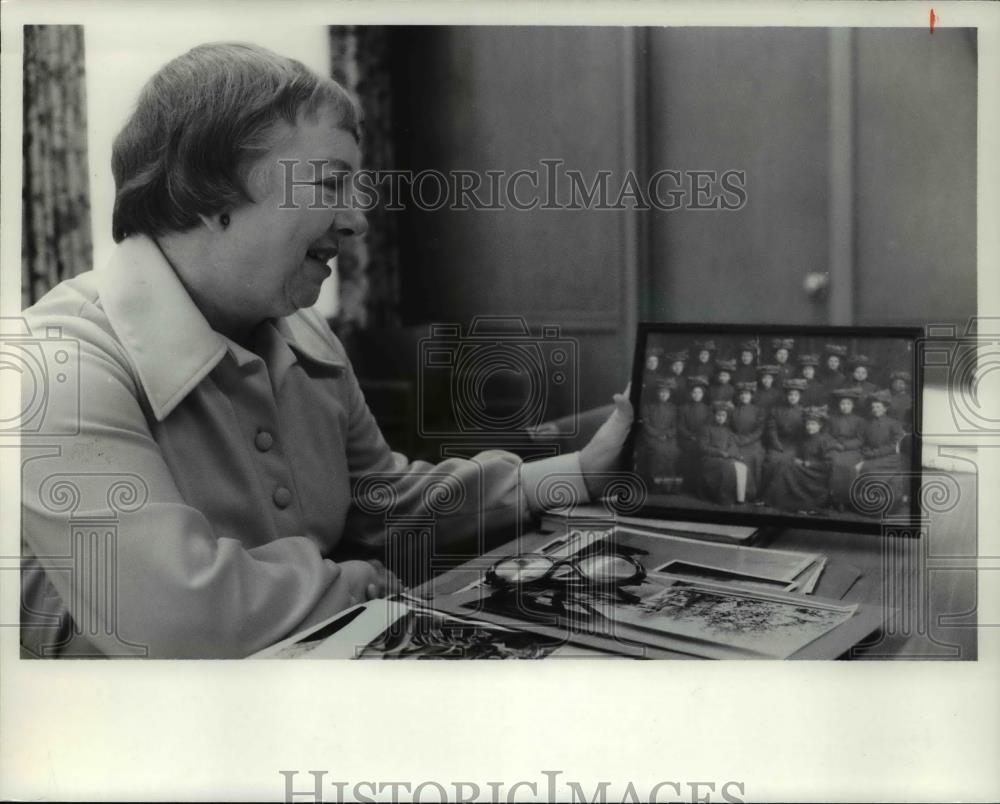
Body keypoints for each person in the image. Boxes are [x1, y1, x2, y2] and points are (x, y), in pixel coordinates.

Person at [19, 43, 632, 659]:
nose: (359, 220)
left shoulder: (305, 335)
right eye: (331, 184)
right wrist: (348, 585)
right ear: (210, 195)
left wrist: (575, 473)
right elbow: (171, 618)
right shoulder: (54, 365)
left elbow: (382, 503)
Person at [763, 406, 835, 513]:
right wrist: (798, 461)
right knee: (784, 465)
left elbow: (828, 465)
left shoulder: (824, 441)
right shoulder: (805, 438)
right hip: (805, 469)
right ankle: (773, 498)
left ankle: (774, 499)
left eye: (813, 424)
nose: (809, 427)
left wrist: (808, 464)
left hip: (816, 475)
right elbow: (801, 455)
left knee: (787, 468)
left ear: (820, 425)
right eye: (808, 424)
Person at [853, 390, 906, 513]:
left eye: (878, 407)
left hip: (890, 458)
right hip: (871, 455)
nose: (875, 409)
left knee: (869, 468)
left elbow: (895, 444)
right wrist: (866, 451)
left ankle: (886, 505)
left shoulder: (893, 423)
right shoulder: (866, 423)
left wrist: (875, 453)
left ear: (885, 408)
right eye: (873, 407)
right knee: (863, 468)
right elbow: (861, 440)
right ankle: (868, 504)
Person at [698, 401, 752, 505]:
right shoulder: (706, 429)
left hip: (725, 457)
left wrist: (735, 455)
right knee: (727, 466)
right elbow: (702, 447)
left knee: (741, 466)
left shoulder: (727, 430)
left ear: (726, 417)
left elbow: (732, 446)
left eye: (723, 416)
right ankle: (724, 497)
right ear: (714, 416)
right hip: (709, 458)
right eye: (718, 415)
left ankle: (740, 497)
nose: (720, 418)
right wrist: (719, 453)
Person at [636, 379, 681, 489]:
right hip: (651, 437)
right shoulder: (648, 407)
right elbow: (646, 425)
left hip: (668, 438)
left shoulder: (673, 408)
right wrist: (658, 435)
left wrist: (667, 435)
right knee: (659, 451)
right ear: (657, 393)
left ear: (669, 395)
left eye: (666, 393)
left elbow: (675, 426)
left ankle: (668, 484)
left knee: (673, 451)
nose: (663, 395)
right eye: (661, 392)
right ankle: (656, 484)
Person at [826, 387, 866, 509]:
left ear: (853, 405)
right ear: (839, 405)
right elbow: (826, 435)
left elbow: (860, 439)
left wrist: (845, 446)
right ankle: (832, 498)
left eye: (848, 404)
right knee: (834, 462)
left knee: (848, 466)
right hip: (834, 447)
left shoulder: (859, 420)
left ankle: (845, 500)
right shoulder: (831, 418)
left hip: (851, 449)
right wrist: (834, 444)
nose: (845, 406)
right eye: (842, 404)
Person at [763, 378, 806, 486]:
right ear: (786, 396)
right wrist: (777, 445)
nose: (793, 397)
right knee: (772, 460)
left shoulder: (804, 412)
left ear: (799, 397)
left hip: (795, 445)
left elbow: (804, 434)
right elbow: (771, 430)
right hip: (778, 443)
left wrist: (797, 446)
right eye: (790, 395)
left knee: (788, 462)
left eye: (796, 395)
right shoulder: (776, 410)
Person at [729, 381, 766, 500]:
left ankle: (752, 493)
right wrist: (736, 438)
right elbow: (728, 428)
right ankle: (738, 493)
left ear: (751, 396)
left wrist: (747, 439)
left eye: (747, 394)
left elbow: (760, 429)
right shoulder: (733, 410)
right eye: (742, 394)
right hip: (736, 441)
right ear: (739, 396)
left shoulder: (758, 410)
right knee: (734, 458)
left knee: (754, 456)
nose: (745, 396)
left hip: (753, 442)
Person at [677, 375, 711, 495]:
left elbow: (708, 427)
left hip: (702, 439)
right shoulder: (683, 408)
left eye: (699, 392)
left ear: (703, 394)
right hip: (687, 439)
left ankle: (699, 488)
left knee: (701, 454)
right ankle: (686, 486)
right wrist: (690, 436)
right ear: (691, 394)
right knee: (688, 454)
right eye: (694, 392)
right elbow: (680, 426)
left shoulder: (707, 409)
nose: (697, 395)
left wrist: (701, 437)